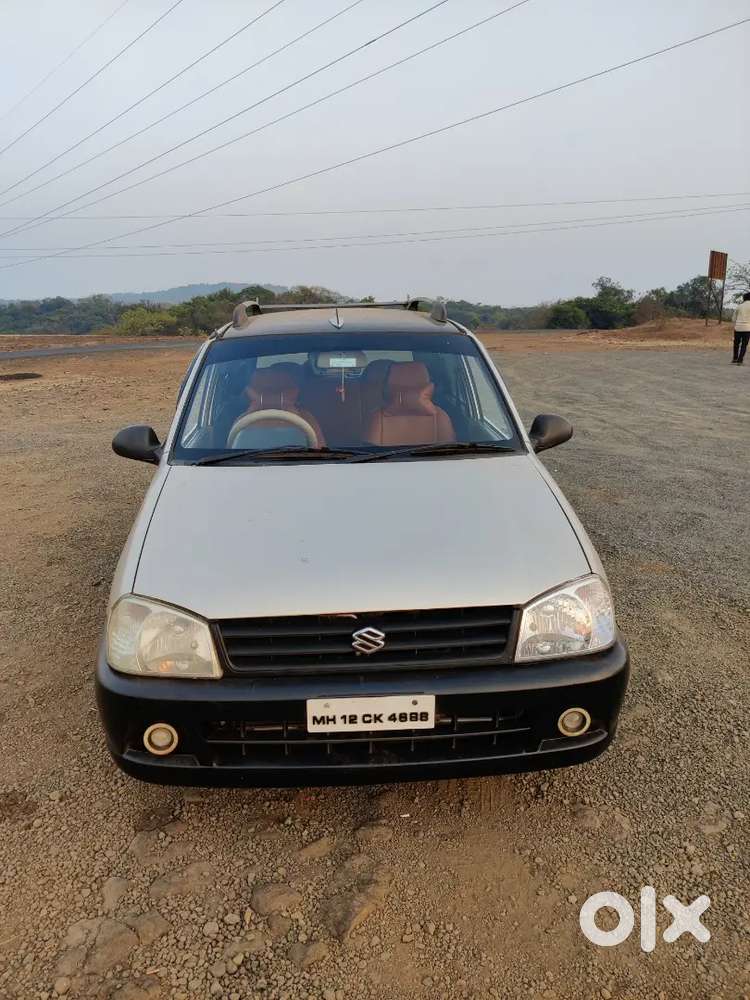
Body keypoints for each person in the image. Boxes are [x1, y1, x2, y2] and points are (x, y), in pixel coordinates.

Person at [732, 292, 750, 364]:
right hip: (747, 328)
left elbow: (733, 318)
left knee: (736, 343)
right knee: (744, 345)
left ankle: (735, 358)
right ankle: (740, 360)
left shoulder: (739, 306)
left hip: (738, 327)